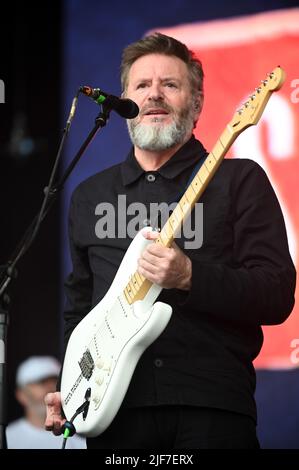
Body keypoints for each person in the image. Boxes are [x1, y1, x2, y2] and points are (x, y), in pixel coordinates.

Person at [45, 33, 296, 449]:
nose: (154, 95)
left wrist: (191, 276)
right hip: (114, 414)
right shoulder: (90, 196)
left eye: (171, 85)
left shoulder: (240, 180)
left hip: (211, 408)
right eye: (142, 86)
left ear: (196, 103)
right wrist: (70, 386)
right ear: (125, 101)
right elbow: (80, 309)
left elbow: (276, 294)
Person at [6, 356, 86, 449]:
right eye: (41, 382)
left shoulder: (81, 440)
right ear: (21, 395)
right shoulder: (6, 439)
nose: (50, 388)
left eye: (54, 381)